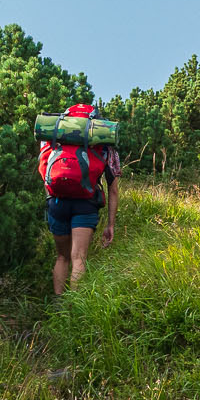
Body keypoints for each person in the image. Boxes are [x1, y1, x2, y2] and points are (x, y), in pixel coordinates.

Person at [42, 103, 120, 294]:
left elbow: (44, 171)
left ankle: (59, 308)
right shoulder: (104, 144)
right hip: (85, 204)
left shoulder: (54, 137)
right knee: (79, 258)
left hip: (57, 202)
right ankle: (74, 312)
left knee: (62, 257)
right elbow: (114, 189)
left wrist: (52, 196)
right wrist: (110, 224)